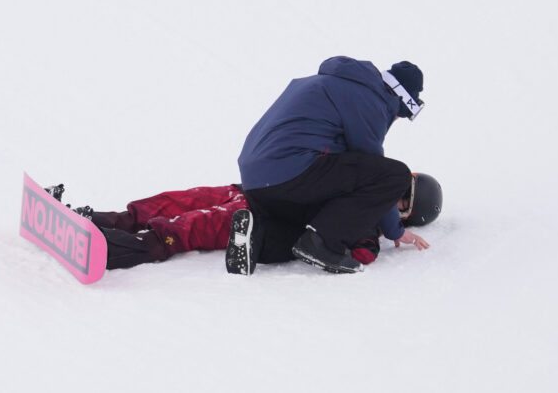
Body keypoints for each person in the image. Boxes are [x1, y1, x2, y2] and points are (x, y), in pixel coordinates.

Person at [235, 55, 430, 275]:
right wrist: (395, 230)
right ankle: (322, 244)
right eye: (400, 115)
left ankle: (259, 240)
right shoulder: (369, 99)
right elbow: (374, 166)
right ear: (400, 102)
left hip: (258, 181)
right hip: (290, 170)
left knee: (322, 221)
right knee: (396, 175)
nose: (395, 120)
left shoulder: (336, 84)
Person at [44, 171, 442, 272]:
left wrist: (379, 238)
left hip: (256, 215)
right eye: (400, 186)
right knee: (172, 202)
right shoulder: (359, 182)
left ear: (406, 214)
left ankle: (111, 247)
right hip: (252, 190)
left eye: (402, 200)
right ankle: (95, 219)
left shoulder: (367, 225)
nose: (392, 197)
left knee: (190, 226)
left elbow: (360, 254)